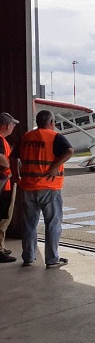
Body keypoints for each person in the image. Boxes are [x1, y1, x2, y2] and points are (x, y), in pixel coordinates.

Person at [12, 110, 74, 268]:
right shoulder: (55, 137)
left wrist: (15, 176)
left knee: (29, 225)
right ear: (52, 122)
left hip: (28, 187)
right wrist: (55, 167)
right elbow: (70, 151)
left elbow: (13, 157)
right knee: (52, 224)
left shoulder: (26, 137)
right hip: (49, 187)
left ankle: (28, 257)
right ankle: (52, 259)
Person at [0, 112, 19, 263]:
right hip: (3, 185)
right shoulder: (0, 140)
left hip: (4, 184)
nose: (13, 127)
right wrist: (8, 167)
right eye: (13, 124)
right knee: (3, 218)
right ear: (7, 125)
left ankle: (0, 245)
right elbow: (1, 158)